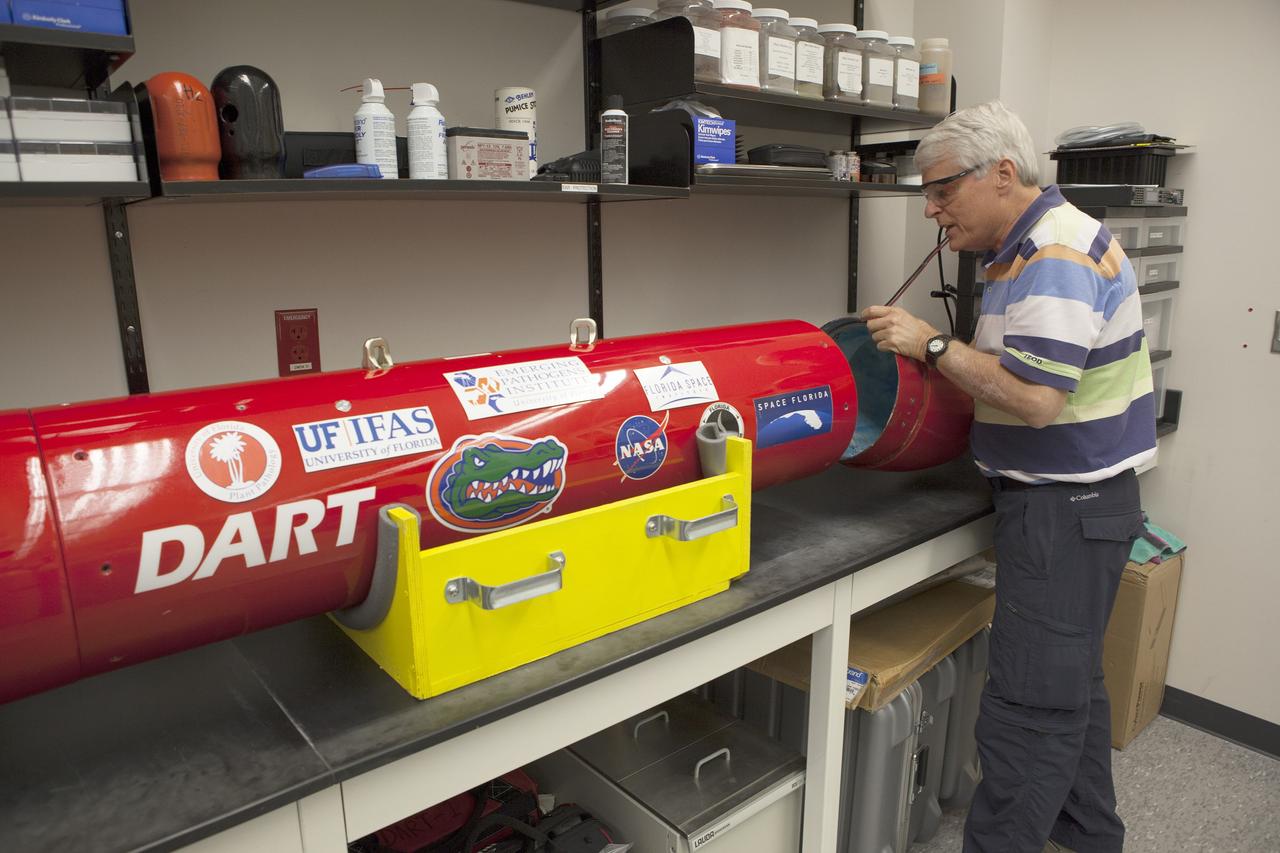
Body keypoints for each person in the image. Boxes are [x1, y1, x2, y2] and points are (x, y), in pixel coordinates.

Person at [863, 101, 1155, 853]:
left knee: (1028, 710)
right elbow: (1017, 374)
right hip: (1080, 507)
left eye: (942, 190)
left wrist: (931, 347)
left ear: (1001, 173)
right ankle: (1091, 837)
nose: (932, 209)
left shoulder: (1054, 252)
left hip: (1064, 511)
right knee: (1070, 692)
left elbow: (1034, 398)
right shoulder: (1028, 250)